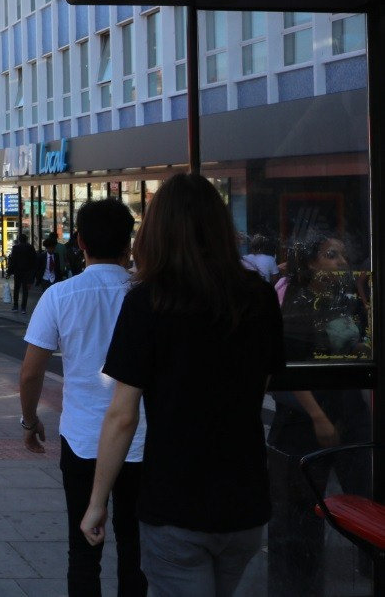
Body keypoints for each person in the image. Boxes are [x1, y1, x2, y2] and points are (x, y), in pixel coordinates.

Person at [81, 173, 285, 597]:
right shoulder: (259, 297)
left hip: (175, 500)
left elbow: (122, 414)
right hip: (244, 499)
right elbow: (258, 384)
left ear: (158, 231)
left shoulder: (149, 301)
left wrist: (98, 501)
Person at [20, 199, 145, 597]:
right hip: (143, 441)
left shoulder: (60, 296)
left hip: (83, 440)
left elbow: (31, 371)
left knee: (83, 548)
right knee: (135, 550)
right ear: (129, 244)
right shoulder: (148, 294)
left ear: (79, 241)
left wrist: (30, 420)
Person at [266, 231, 371, 596]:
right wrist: (317, 416)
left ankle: (368, 562)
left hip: (346, 411)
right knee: (299, 512)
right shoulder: (295, 302)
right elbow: (285, 366)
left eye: (343, 256)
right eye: (331, 255)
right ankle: (297, 584)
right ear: (310, 263)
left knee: (363, 495)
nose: (341, 262)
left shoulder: (343, 298)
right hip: (304, 419)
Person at [6, 233, 37, 314]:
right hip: (27, 271)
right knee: (25, 290)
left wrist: (9, 272)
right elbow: (34, 260)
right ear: (26, 239)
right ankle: (23, 308)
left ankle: (15, 306)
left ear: (19, 239)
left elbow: (12, 261)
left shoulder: (15, 248)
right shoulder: (30, 247)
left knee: (16, 289)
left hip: (18, 271)